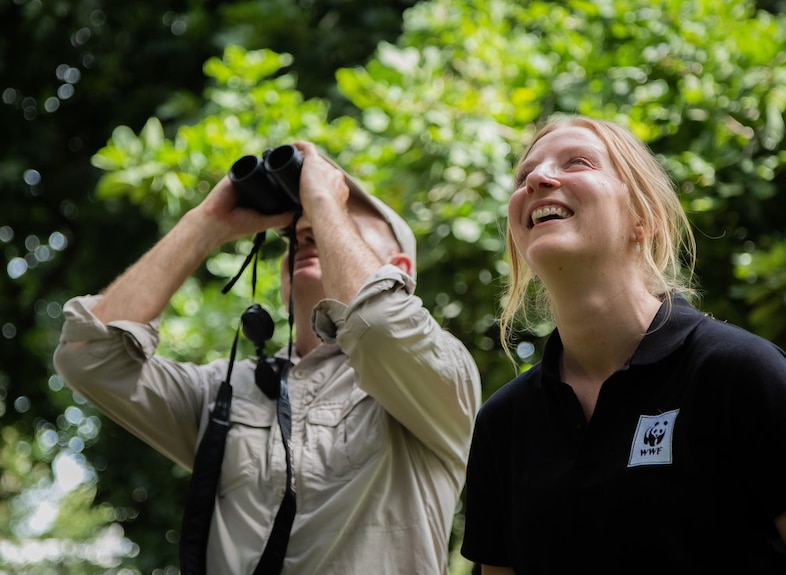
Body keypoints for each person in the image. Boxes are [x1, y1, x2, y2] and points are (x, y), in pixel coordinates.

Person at [54, 141, 482, 574]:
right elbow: (89, 355)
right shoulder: (225, 392)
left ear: (401, 268)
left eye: (342, 217)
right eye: (297, 228)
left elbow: (381, 326)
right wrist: (207, 223)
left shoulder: (440, 378)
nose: (306, 229)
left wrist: (321, 200)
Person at [460, 115, 786, 574]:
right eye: (523, 175)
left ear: (643, 218)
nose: (537, 179)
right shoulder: (503, 423)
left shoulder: (738, 371)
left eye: (578, 162)